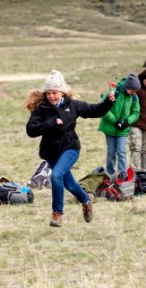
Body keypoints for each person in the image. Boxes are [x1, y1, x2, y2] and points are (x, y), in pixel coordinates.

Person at [25, 70, 115, 227]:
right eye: (49, 93)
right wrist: (51, 122)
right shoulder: (41, 109)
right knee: (70, 184)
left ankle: (57, 213)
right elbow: (31, 130)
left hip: (70, 148)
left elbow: (96, 110)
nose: (52, 96)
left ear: (62, 92)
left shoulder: (73, 105)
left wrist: (108, 102)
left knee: (55, 176)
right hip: (51, 152)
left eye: (55, 92)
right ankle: (87, 200)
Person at [99, 73, 141, 179]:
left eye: (136, 91)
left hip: (123, 129)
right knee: (111, 153)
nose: (134, 93)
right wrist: (115, 121)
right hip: (110, 128)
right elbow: (103, 108)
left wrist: (127, 122)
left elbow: (136, 112)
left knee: (121, 152)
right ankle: (110, 174)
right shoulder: (113, 92)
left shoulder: (134, 97)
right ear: (128, 87)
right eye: (132, 91)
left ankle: (123, 176)